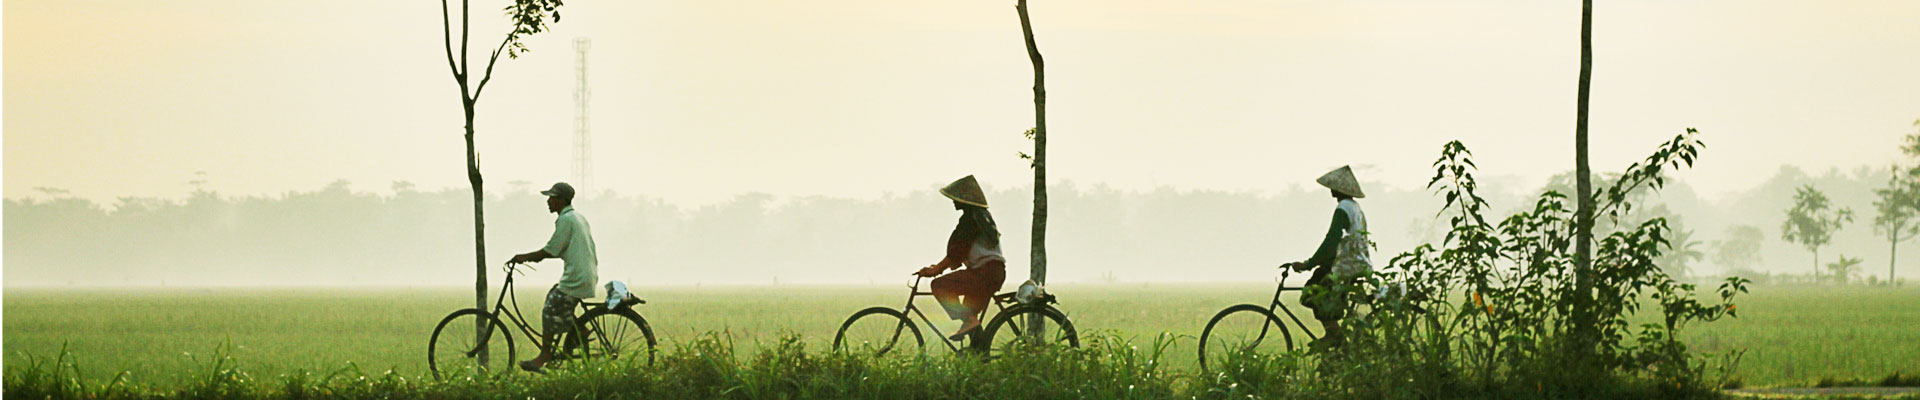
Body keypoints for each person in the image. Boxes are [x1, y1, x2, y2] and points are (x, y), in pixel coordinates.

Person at [506, 182, 598, 372]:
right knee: (557, 300)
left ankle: (546, 354)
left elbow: (551, 250)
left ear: (561, 200)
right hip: (585, 274)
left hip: (577, 277)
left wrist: (523, 257)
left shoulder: (566, 220)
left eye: (552, 198)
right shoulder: (577, 217)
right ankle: (578, 330)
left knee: (550, 306)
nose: (548, 201)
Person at [1281, 166, 1372, 350]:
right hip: (1358, 262)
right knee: (1323, 284)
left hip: (1347, 265)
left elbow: (1331, 241)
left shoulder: (1343, 208)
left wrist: (1308, 264)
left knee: (1312, 291)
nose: (1331, 190)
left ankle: (1333, 334)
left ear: (1339, 189)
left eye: (1333, 187)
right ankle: (1337, 340)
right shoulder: (1355, 208)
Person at [914, 175, 1007, 341]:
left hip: (984, 273)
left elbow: (957, 252)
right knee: (970, 319)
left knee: (939, 285)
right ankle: (979, 356)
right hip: (993, 273)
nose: (953, 201)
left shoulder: (971, 220)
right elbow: (959, 253)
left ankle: (970, 322)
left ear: (965, 199)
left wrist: (936, 270)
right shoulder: (981, 217)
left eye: (956, 198)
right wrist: (939, 266)